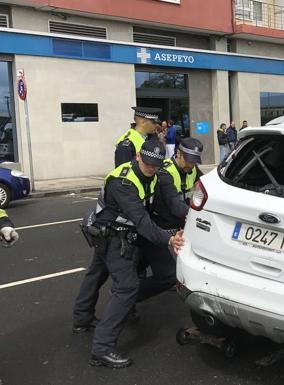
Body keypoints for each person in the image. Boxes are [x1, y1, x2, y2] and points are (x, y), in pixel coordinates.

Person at [72, 139, 185, 369]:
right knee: (127, 286)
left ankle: (82, 318)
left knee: (97, 272)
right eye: (148, 165)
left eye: (156, 165)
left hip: (120, 230)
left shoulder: (155, 174)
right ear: (138, 158)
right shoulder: (123, 182)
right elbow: (142, 221)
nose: (151, 169)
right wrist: (169, 238)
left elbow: (165, 203)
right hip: (112, 235)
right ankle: (102, 349)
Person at [137, 137, 204, 303]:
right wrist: (196, 216)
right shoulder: (165, 172)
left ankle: (128, 290)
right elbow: (174, 204)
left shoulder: (193, 170)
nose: (191, 165)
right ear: (178, 153)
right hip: (159, 227)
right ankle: (129, 295)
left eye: (194, 161)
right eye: (188, 160)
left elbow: (206, 187)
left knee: (146, 265)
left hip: (175, 227)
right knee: (163, 273)